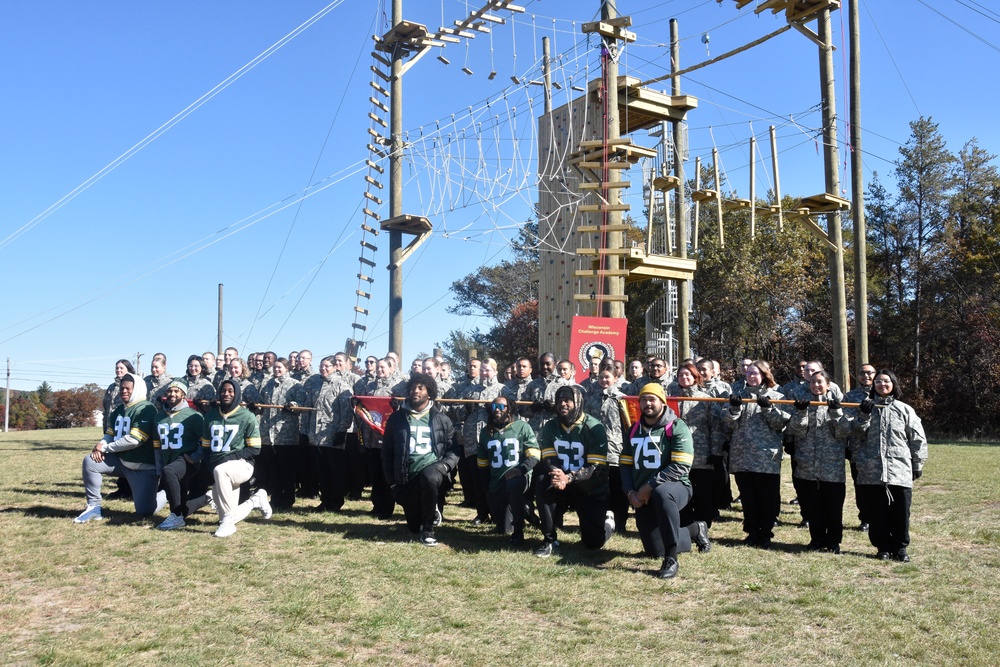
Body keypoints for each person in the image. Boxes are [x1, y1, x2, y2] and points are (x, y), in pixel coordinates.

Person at [621, 383, 708, 579]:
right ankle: (695, 530)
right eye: (644, 399)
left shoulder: (676, 426)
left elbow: (681, 466)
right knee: (653, 549)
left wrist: (649, 486)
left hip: (676, 487)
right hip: (643, 493)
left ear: (662, 401)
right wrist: (630, 492)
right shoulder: (634, 429)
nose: (647, 404)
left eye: (652, 399)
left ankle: (671, 558)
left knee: (662, 493)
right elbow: (625, 464)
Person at [849, 370, 928, 562]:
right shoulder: (865, 408)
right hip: (871, 469)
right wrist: (864, 414)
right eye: (878, 382)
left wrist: (917, 463)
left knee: (900, 511)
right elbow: (855, 434)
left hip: (899, 470)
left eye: (886, 381)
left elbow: (917, 437)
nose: (882, 385)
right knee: (877, 512)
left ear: (893, 384)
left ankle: (900, 548)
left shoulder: (904, 409)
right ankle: (882, 547)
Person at [381, 372, 459, 547]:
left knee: (429, 477)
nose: (415, 391)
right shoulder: (396, 418)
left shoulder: (441, 419)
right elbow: (387, 452)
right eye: (412, 388)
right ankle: (428, 513)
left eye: (420, 388)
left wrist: (445, 466)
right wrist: (392, 483)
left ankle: (429, 530)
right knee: (413, 526)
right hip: (407, 476)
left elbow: (453, 449)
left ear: (429, 393)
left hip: (433, 470)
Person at [533, 385, 611, 557]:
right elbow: (548, 459)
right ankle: (549, 539)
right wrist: (556, 473)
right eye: (559, 401)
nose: (563, 404)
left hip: (589, 487)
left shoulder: (593, 428)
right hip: (563, 483)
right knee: (542, 481)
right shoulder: (551, 427)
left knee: (593, 543)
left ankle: (607, 523)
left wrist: (568, 477)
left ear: (578, 402)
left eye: (567, 400)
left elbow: (595, 468)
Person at [75, 373, 159, 522]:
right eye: (122, 388)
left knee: (145, 511)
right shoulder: (119, 410)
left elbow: (135, 440)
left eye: (128, 388)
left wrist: (105, 449)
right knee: (90, 462)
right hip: (121, 461)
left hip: (142, 466)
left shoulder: (147, 409)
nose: (124, 391)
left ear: (137, 389)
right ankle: (94, 507)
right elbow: (110, 433)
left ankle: (165, 491)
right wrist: (101, 444)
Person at [725, 360, 791, 549]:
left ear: (764, 375)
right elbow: (729, 424)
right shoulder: (738, 395)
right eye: (749, 373)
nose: (751, 376)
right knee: (748, 497)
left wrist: (768, 408)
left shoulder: (778, 396)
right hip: (742, 454)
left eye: (755, 373)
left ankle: (765, 533)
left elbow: (781, 424)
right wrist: (734, 408)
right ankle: (752, 531)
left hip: (765, 457)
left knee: (767, 498)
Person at [786, 370, 851, 553]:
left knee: (833, 507)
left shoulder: (838, 403)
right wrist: (800, 413)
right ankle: (816, 539)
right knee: (812, 507)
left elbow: (844, 431)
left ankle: (833, 542)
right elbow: (795, 430)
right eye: (812, 382)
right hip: (807, 464)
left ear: (828, 384)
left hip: (832, 466)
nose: (816, 385)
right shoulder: (802, 402)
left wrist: (836, 412)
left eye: (820, 382)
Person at [202, 378, 271, 538]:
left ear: (237, 393)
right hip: (220, 468)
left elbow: (255, 449)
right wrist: (209, 465)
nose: (226, 394)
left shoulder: (247, 416)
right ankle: (256, 500)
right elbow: (206, 446)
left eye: (230, 391)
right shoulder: (211, 416)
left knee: (221, 470)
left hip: (242, 465)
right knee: (229, 514)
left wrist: (230, 458)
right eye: (223, 391)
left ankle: (227, 523)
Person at [476, 395, 539, 545]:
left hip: (518, 477)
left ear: (509, 409)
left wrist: (521, 470)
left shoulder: (522, 427)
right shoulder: (486, 432)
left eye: (501, 406)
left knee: (514, 485)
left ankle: (519, 531)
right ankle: (525, 510)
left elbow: (535, 455)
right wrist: (487, 489)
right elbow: (483, 464)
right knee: (504, 529)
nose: (497, 410)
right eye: (494, 407)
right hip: (497, 480)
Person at [670, 361, 722, 535]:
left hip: (701, 455)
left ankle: (702, 528)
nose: (684, 378)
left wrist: (715, 452)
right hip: (676, 456)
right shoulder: (671, 399)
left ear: (695, 377)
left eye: (688, 375)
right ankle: (684, 527)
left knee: (702, 495)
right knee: (680, 493)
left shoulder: (705, 399)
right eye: (681, 375)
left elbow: (715, 427)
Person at [154, 380, 211, 530]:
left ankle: (175, 516)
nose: (172, 394)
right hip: (169, 461)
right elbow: (157, 446)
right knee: (181, 503)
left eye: (176, 391)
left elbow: (206, 440)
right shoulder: (159, 417)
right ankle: (207, 498)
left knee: (169, 472)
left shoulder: (194, 416)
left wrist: (195, 457)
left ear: (183, 394)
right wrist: (159, 466)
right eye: (170, 391)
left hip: (186, 461)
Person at [583, 368, 628, 535]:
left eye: (607, 377)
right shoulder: (591, 398)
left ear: (615, 379)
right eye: (601, 377)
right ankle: (601, 520)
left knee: (617, 488)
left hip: (617, 450)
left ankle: (621, 523)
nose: (603, 380)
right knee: (599, 487)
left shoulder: (621, 399)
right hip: (596, 450)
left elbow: (627, 425)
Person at [459, 358, 504, 525]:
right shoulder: (471, 390)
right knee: (478, 481)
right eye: (483, 370)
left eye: (488, 370)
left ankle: (496, 513)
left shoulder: (502, 390)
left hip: (493, 440)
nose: (485, 373)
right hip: (473, 442)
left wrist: (494, 411)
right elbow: (458, 415)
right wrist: (465, 409)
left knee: (494, 480)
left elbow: (510, 413)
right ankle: (482, 513)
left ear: (495, 371)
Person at [308, 355, 354, 512]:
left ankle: (335, 501)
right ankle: (325, 500)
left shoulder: (342, 386)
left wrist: (342, 430)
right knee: (322, 471)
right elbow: (311, 411)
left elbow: (347, 412)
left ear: (335, 367)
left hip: (333, 435)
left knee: (335, 471)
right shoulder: (316, 386)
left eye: (327, 366)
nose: (323, 369)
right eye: (321, 366)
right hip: (317, 435)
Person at [260, 357, 303, 510]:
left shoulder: (295, 385)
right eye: (275, 367)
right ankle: (276, 497)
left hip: (286, 435)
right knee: (273, 469)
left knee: (287, 470)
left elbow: (301, 405)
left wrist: (292, 406)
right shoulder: (268, 384)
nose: (277, 370)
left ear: (286, 368)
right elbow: (262, 405)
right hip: (268, 434)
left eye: (280, 367)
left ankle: (288, 498)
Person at [843, 363, 877, 531]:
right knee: (860, 485)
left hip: (879, 449)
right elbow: (845, 421)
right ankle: (865, 518)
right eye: (862, 373)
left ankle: (879, 518)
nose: (866, 376)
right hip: (858, 448)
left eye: (870, 373)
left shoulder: (883, 393)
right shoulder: (850, 397)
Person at [102, 359, 136, 431]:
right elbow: (106, 409)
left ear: (128, 370)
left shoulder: (135, 386)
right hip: (110, 426)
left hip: (124, 426)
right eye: (117, 368)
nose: (118, 370)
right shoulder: (111, 387)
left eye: (121, 368)